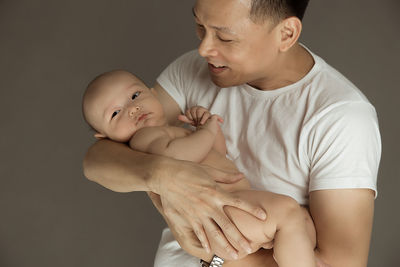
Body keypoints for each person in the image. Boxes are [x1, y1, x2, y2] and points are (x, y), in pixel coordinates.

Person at [83, 0, 381, 266]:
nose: (203, 48)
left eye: (224, 36)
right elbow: (98, 158)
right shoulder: (193, 70)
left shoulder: (341, 117)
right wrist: (162, 175)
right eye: (200, 26)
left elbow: (339, 263)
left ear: (286, 34)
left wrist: (216, 258)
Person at [82, 70, 317, 267]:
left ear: (154, 93)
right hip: (218, 213)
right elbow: (177, 155)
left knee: (300, 220)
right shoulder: (144, 139)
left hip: (229, 208)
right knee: (288, 212)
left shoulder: (172, 131)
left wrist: (207, 128)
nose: (132, 109)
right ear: (105, 136)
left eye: (135, 95)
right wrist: (206, 131)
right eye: (115, 113)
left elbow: (217, 153)